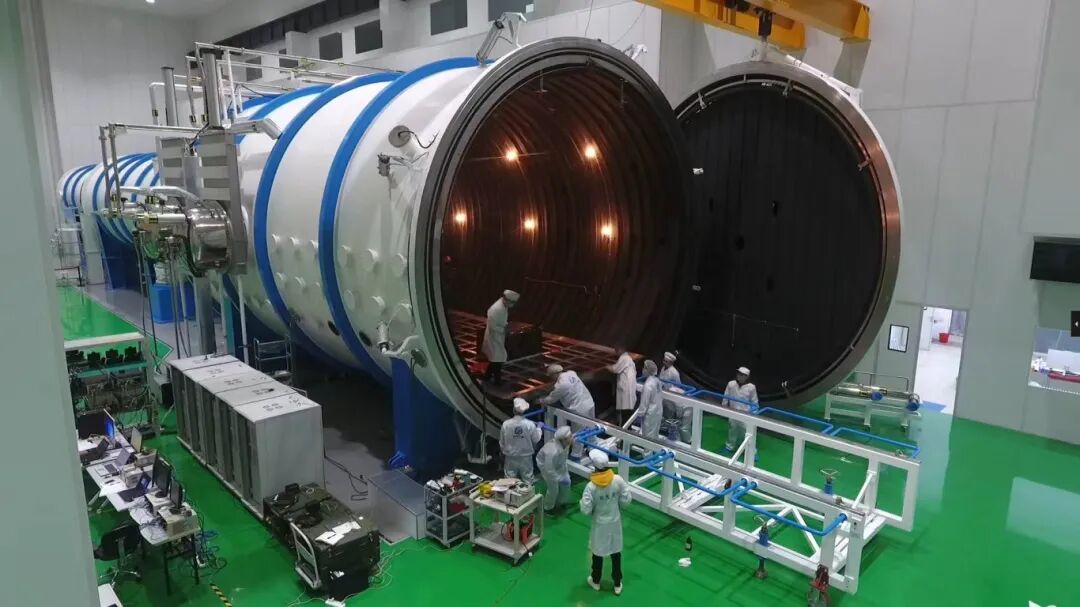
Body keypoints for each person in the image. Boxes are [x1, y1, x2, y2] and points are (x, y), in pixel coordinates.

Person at [580, 449, 631, 596]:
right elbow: (626, 499)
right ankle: (617, 583)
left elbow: (585, 509)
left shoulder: (591, 487)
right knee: (616, 552)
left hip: (600, 524)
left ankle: (595, 580)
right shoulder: (617, 480)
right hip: (615, 522)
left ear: (595, 467)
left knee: (598, 553)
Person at [537, 364, 595, 458]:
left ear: (554, 374)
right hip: (589, 403)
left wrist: (542, 400)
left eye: (551, 376)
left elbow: (551, 399)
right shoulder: (571, 373)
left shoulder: (561, 385)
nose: (551, 378)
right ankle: (593, 448)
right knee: (591, 427)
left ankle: (576, 455)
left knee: (578, 432)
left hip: (579, 409)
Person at [482, 290, 520, 384]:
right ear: (506, 299)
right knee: (496, 359)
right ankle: (497, 380)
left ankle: (487, 377)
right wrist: (505, 330)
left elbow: (501, 321)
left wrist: (507, 326)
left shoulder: (503, 306)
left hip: (498, 336)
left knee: (496, 359)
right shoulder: (496, 309)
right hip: (494, 336)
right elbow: (493, 326)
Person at [500, 398, 541, 483]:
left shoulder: (506, 424)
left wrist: (503, 452)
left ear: (513, 410)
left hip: (510, 456)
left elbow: (502, 442)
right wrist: (539, 428)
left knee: (509, 481)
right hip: (526, 457)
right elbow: (536, 439)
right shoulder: (530, 424)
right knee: (528, 479)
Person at [536, 425, 574, 514]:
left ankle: (562, 502)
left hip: (560, 465)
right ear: (563, 440)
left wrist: (563, 475)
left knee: (567, 483)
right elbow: (549, 469)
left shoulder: (566, 444)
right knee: (553, 489)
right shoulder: (552, 451)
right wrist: (558, 478)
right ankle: (548, 508)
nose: (572, 438)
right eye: (570, 437)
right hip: (546, 467)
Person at [723, 366, 759, 452]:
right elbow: (725, 397)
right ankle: (729, 446)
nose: (739, 375)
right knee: (732, 430)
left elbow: (754, 401)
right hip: (733, 412)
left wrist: (754, 415)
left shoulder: (751, 387)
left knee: (748, 433)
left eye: (742, 375)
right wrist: (723, 408)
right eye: (739, 373)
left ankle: (751, 451)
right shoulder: (731, 384)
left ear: (747, 377)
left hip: (746, 414)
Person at [608, 346, 636, 425]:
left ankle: (623, 427)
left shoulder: (624, 358)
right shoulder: (628, 358)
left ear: (621, 350)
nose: (616, 353)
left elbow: (615, 369)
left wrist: (607, 367)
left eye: (617, 351)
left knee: (625, 413)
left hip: (626, 391)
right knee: (625, 411)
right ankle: (623, 424)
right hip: (628, 390)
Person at [637, 360, 663, 440]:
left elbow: (644, 402)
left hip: (650, 414)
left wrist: (640, 414)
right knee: (655, 433)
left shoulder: (648, 385)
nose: (643, 369)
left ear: (647, 370)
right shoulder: (657, 381)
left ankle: (647, 448)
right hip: (658, 411)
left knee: (648, 436)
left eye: (644, 368)